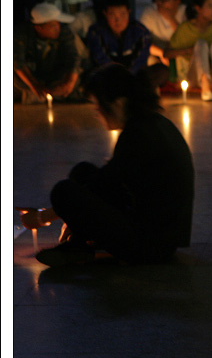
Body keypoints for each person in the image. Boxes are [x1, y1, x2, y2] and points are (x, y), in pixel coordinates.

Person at [19, 63, 194, 267]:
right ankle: (79, 242)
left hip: (150, 246)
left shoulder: (138, 135)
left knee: (64, 192)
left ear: (118, 103)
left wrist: (42, 218)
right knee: (83, 172)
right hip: (157, 237)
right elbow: (110, 181)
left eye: (98, 107)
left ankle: (80, 246)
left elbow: (104, 186)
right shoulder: (152, 124)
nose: (97, 114)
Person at [14, 2, 81, 103]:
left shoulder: (64, 32)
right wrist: (34, 85)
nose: (57, 28)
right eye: (53, 26)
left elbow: (73, 57)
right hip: (31, 76)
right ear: (38, 27)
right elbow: (17, 62)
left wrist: (69, 83)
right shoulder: (21, 34)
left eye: (58, 24)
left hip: (55, 75)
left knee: (75, 78)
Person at [86, 0, 153, 77]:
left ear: (129, 12)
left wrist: (129, 75)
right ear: (105, 14)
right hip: (107, 76)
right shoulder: (96, 32)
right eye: (112, 15)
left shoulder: (140, 31)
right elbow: (100, 58)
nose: (118, 20)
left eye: (122, 14)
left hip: (134, 76)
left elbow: (141, 59)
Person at [139, 0, 187, 84]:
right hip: (158, 52)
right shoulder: (150, 12)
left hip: (179, 52)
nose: (159, 3)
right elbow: (142, 41)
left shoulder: (185, 12)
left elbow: (187, 38)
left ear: (177, 0)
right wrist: (163, 54)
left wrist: (170, 18)